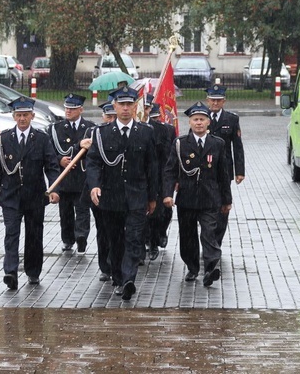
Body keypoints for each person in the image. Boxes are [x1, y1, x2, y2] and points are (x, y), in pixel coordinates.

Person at [86, 86, 158, 301]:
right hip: (111, 196)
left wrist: (153, 196)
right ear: (114, 106)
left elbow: (152, 166)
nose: (126, 108)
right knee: (115, 240)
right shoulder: (101, 133)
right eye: (121, 104)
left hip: (137, 195)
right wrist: (94, 185)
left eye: (129, 104)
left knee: (134, 239)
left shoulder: (145, 132)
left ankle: (129, 279)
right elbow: (93, 162)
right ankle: (118, 277)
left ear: (135, 106)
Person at [0, 96, 60, 290]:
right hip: (10, 196)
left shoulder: (42, 138)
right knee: (11, 233)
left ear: (32, 116)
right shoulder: (3, 139)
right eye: (18, 115)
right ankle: (10, 272)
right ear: (13, 117)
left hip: (35, 196)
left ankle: (33, 271)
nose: (22, 119)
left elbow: (51, 166)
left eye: (25, 115)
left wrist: (53, 189)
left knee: (34, 235)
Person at [163, 101, 232, 287]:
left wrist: (227, 200)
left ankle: (210, 268)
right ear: (190, 122)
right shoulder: (180, 144)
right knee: (188, 236)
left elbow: (223, 174)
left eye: (202, 119)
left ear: (209, 122)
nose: (199, 123)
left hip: (210, 198)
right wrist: (167, 194)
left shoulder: (218, 144)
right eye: (195, 119)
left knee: (209, 233)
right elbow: (170, 170)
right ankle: (192, 267)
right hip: (186, 198)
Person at [49, 93, 96, 253]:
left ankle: (81, 236)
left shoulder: (90, 128)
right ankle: (68, 239)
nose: (68, 111)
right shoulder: (56, 129)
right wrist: (59, 159)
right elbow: (49, 152)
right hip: (65, 178)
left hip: (82, 177)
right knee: (66, 211)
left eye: (73, 108)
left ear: (81, 109)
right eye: (67, 108)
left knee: (82, 209)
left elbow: (94, 152)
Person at [78, 101, 117, 282]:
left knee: (119, 230)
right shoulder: (93, 133)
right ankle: (106, 266)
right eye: (108, 116)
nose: (111, 120)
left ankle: (120, 263)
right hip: (98, 189)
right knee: (103, 229)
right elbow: (85, 161)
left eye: (114, 117)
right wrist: (82, 146)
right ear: (103, 117)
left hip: (119, 189)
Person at [206, 84, 245, 246]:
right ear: (207, 101)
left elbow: (237, 147)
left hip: (224, 170)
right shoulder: (200, 117)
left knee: (223, 204)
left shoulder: (231, 119)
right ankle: (208, 238)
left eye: (219, 100)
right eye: (213, 100)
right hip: (205, 170)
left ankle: (217, 239)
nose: (215, 103)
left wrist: (239, 171)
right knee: (207, 204)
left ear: (224, 101)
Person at [146, 99, 176, 260]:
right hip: (142, 177)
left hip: (161, 175)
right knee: (146, 214)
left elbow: (172, 156)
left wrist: (174, 178)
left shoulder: (166, 130)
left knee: (162, 212)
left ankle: (158, 236)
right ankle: (149, 242)